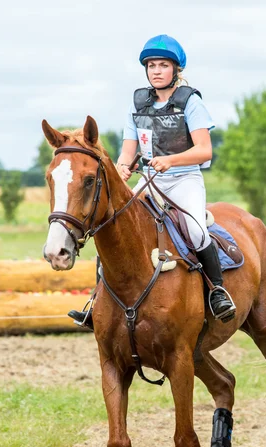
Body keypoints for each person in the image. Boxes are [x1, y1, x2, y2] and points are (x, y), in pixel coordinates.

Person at [70, 34, 235, 330]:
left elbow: (204, 149)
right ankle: (98, 303)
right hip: (149, 180)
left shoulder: (190, 101)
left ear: (176, 70)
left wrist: (170, 160)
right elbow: (128, 152)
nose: (156, 71)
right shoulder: (138, 103)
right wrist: (121, 168)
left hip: (183, 180)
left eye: (163, 65)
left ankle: (217, 292)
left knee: (196, 230)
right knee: (112, 228)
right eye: (151, 66)